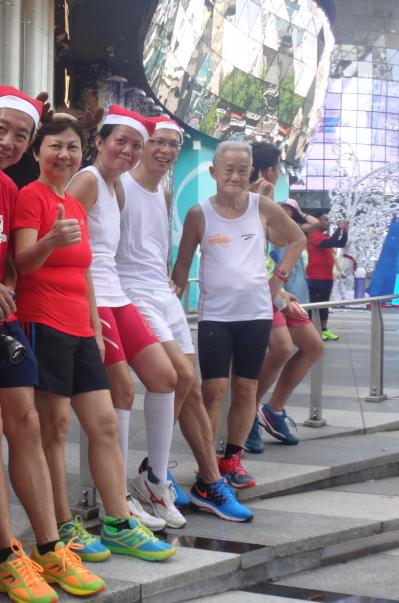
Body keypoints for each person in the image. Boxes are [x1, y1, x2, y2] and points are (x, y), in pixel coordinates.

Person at [0, 86, 105, 603]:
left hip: (4, 321)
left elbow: (12, 265)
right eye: (2, 130)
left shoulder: (10, 193)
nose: (9, 142)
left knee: (29, 427)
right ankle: (5, 551)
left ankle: (50, 545)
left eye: (20, 134)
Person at [12, 112, 176, 564]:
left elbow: (86, 270)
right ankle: (64, 524)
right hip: (41, 322)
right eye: (54, 147)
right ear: (38, 153)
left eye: (70, 148)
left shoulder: (75, 202)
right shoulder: (31, 197)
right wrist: (49, 240)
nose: (63, 155)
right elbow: (23, 263)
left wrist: (94, 329)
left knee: (103, 422)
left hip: (81, 327)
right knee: (55, 428)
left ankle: (119, 520)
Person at [117, 119, 253, 522]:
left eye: (173, 144)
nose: (165, 150)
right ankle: (150, 478)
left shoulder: (163, 191)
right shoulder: (118, 184)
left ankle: (180, 478)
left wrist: (171, 284)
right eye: (157, 142)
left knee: (188, 381)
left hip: (161, 294)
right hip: (130, 294)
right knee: (174, 375)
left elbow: (157, 250)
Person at [66, 106, 183, 530]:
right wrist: (88, 316)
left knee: (166, 377)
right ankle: (116, 496)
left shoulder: (115, 188)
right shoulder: (88, 180)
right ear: (99, 142)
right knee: (123, 392)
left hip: (117, 294)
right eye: (121, 141)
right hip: (91, 299)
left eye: (136, 144)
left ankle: (154, 481)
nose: (129, 150)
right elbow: (65, 242)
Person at [171, 141, 304, 491]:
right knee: (213, 390)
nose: (235, 176)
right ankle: (206, 465)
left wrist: (279, 281)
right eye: (228, 169)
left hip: (256, 315)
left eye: (242, 170)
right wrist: (171, 308)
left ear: (252, 173)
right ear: (214, 172)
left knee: (246, 389)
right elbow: (182, 265)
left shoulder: (262, 206)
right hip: (215, 317)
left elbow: (296, 239)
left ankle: (231, 458)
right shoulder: (199, 213)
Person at [244, 143, 322, 453]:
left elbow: (281, 239)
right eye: (278, 168)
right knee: (281, 348)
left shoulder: (265, 201)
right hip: (252, 289)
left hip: (273, 289)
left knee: (313, 345)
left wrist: (279, 281)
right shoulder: (240, 199)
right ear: (267, 171)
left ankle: (272, 408)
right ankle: (246, 413)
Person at [307, 212, 350, 341]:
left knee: (324, 303)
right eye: (326, 220)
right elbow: (328, 243)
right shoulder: (313, 235)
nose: (328, 222)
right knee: (315, 304)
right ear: (317, 222)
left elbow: (340, 244)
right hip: (316, 276)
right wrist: (338, 228)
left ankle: (323, 329)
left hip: (327, 276)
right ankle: (313, 331)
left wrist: (345, 231)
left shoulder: (324, 236)